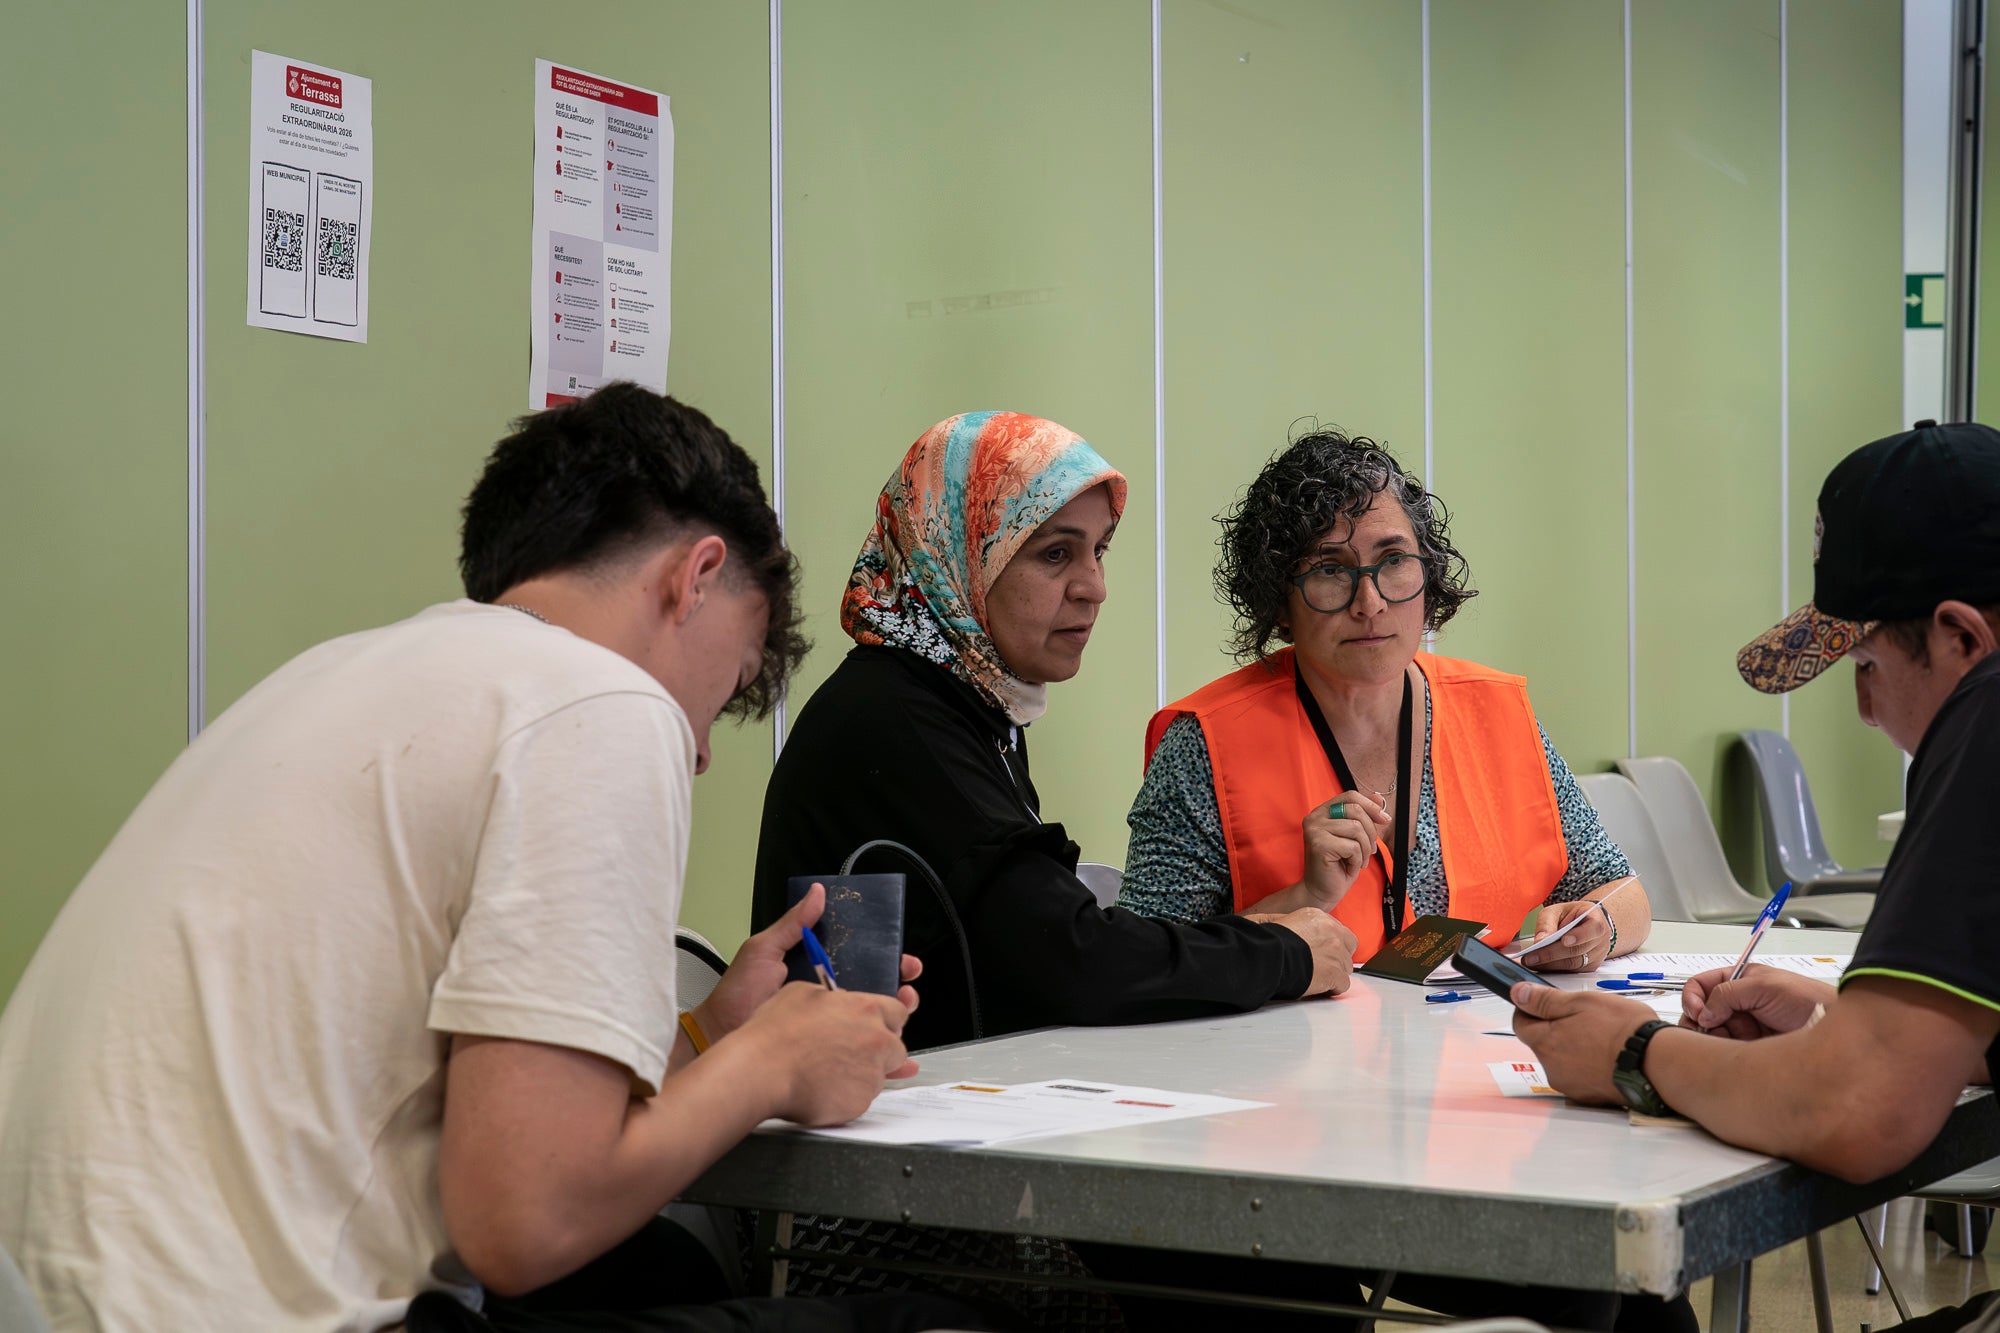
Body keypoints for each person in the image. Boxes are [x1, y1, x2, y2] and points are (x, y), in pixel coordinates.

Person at [0, 384, 999, 1333]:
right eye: (727, 689)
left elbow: (459, 1108)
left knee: (668, 1270)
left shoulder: (342, 673)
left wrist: (707, 1036)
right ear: (693, 577)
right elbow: (524, 1221)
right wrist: (771, 1062)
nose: (698, 750)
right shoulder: (601, 705)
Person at [1513, 420, 2000, 1332]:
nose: (1864, 709)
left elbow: (1859, 1110)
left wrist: (1635, 1054)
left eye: (1865, 664)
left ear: (1961, 638)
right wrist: (1839, 1023)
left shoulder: (1988, 721)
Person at [753, 411, 1354, 1053]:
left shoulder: (969, 706)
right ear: (959, 557)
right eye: (1056, 553)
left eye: (1099, 550)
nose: (1094, 587)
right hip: (878, 1109)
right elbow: (1078, 961)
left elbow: (1034, 948)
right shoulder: (896, 718)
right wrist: (1285, 954)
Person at [1121, 428, 1654, 972]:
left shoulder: (1497, 713)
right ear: (1278, 600)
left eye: (1394, 560)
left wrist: (1596, 928)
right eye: (1331, 569)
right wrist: (1305, 897)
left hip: (1474, 1025)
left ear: (1428, 573)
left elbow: (1619, 890)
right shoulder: (1205, 743)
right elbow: (1140, 964)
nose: (1370, 602)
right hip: (1293, 1029)